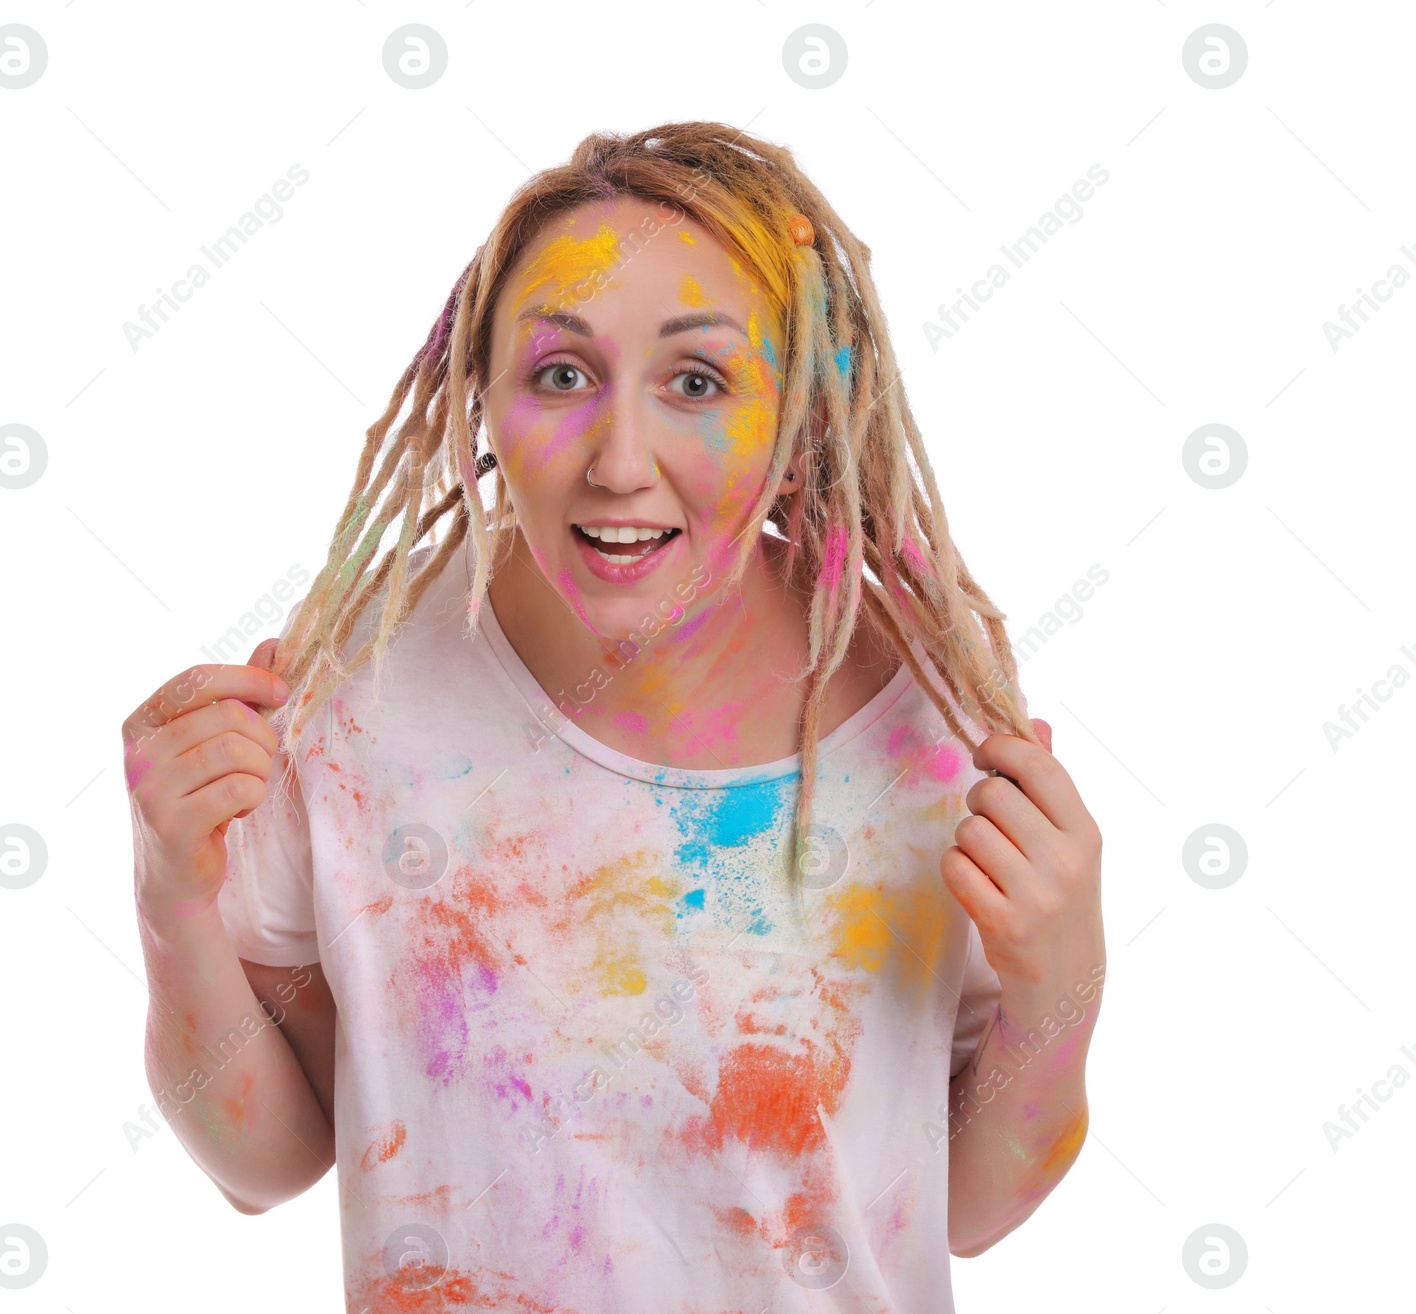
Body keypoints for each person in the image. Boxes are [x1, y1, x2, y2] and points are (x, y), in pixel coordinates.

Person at [124, 121, 1106, 1312]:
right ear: (479, 397)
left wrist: (1063, 977)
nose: (620, 461)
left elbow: (971, 1209)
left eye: (696, 382)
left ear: (796, 412)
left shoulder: (930, 726)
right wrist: (171, 893)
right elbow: (265, 1164)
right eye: (561, 375)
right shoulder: (360, 691)